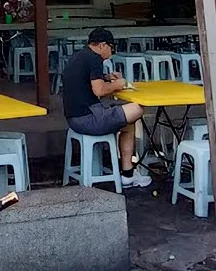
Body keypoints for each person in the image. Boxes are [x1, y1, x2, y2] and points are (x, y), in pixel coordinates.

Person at [60, 27, 151, 189]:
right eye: (111, 47)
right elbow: (99, 90)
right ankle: (127, 174)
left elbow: (86, 82)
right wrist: (118, 84)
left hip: (74, 118)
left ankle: (128, 174)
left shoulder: (80, 56)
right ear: (102, 45)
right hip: (89, 118)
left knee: (128, 124)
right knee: (138, 109)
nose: (112, 51)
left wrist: (107, 77)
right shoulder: (95, 59)